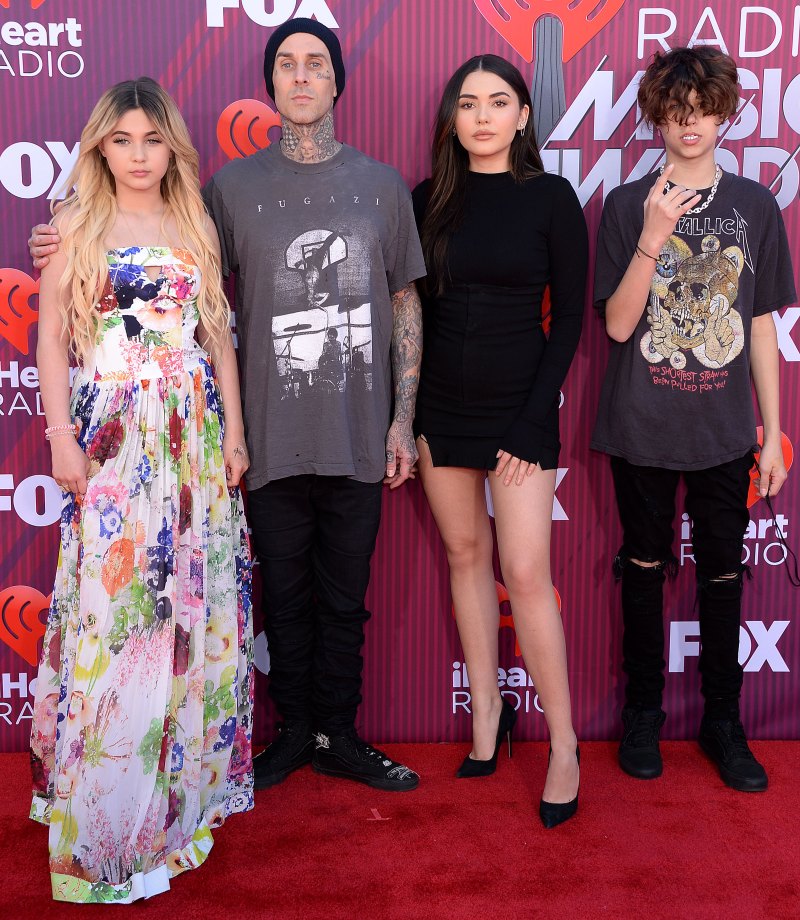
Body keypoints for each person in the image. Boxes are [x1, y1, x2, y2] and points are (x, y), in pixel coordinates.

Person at [34, 20, 426, 794]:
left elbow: (406, 302)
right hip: (263, 439)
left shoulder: (380, 186)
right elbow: (157, 266)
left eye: (317, 64)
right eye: (287, 65)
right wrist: (62, 237)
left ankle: (339, 736)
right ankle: (289, 736)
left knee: (347, 598)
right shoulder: (229, 191)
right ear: (271, 84)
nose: (303, 77)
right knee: (278, 595)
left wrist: (402, 419)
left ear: (338, 82)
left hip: (352, 433)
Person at [28, 78, 253, 903]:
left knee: (185, 614)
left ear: (172, 149)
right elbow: (52, 342)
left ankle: (172, 813)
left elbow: (218, 332)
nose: (137, 156)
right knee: (118, 619)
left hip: (192, 440)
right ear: (100, 148)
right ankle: (107, 824)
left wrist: (232, 430)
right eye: (121, 140)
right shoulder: (74, 227)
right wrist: (61, 437)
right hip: (117, 437)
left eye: (151, 141)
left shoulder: (194, 220)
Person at [591, 46, 796, 791]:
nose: (690, 126)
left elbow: (764, 325)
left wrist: (771, 431)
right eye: (676, 113)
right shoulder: (622, 206)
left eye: (703, 111)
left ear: (725, 113)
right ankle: (643, 713)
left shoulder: (754, 205)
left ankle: (723, 720)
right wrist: (651, 234)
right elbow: (616, 328)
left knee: (722, 576)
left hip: (723, 429)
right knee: (642, 572)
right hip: (642, 423)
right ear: (657, 117)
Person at [412, 55, 587, 827]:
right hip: (439, 409)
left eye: (498, 102)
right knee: (465, 557)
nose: (482, 116)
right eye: (468, 104)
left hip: (521, 413)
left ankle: (566, 744)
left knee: (525, 570)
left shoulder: (552, 199)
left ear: (523, 116)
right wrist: (406, 414)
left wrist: (531, 417)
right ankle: (487, 717)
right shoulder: (426, 202)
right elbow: (410, 316)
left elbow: (573, 320)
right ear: (453, 119)